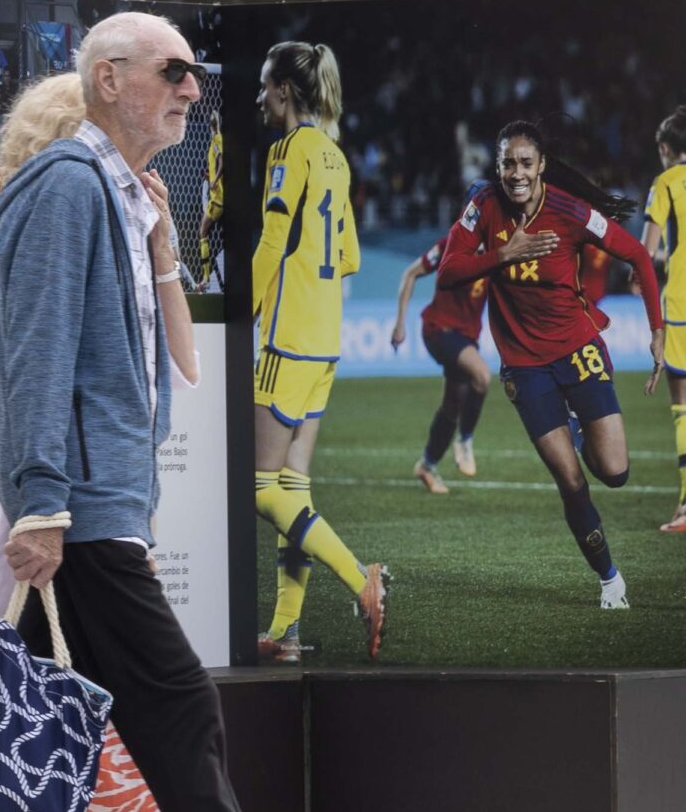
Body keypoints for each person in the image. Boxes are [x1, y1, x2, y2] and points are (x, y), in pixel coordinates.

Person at [0, 9, 395, 812]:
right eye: (172, 72)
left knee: (36, 718)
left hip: (94, 503)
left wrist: (161, 238)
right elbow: (34, 354)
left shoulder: (113, 194)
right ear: (105, 82)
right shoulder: (61, 187)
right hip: (79, 511)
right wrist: (42, 500)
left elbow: (162, 357)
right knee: (174, 705)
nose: (190, 89)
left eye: (192, 73)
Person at [0, 73, 248, 812]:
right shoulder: (37, 245)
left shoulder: (107, 241)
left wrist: (164, 248)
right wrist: (43, 506)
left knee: (12, 720)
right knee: (138, 712)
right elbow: (24, 390)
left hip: (57, 501)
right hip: (31, 500)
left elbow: (179, 364)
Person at [436, 122, 666, 607]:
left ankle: (579, 426)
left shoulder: (570, 210)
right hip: (525, 367)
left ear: (541, 166)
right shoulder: (483, 205)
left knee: (615, 471)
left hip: (578, 348)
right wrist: (503, 253)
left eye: (525, 163)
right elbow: (448, 272)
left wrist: (658, 331)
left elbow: (640, 256)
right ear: (497, 168)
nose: (515, 173)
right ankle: (610, 581)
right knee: (571, 481)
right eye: (507, 164)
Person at [250, 43, 387, 661]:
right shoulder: (335, 157)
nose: (258, 99)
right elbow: (352, 256)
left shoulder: (289, 151)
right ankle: (284, 630)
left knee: (259, 489)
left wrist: (241, 318)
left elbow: (275, 239)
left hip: (287, 338)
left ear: (283, 90)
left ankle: (361, 580)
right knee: (293, 488)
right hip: (326, 342)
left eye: (263, 88)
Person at [391, 215, 493, 495]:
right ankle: (466, 439)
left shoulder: (499, 252)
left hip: (466, 337)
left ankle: (427, 464)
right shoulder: (451, 245)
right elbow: (410, 273)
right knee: (482, 376)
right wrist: (400, 323)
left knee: (452, 405)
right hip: (439, 329)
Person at [646, 109, 686, 534]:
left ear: (665, 150)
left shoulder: (666, 183)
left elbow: (647, 252)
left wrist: (638, 276)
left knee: (683, 408)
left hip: (681, 304)